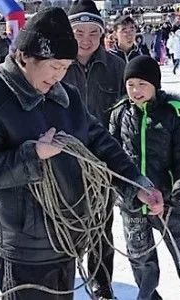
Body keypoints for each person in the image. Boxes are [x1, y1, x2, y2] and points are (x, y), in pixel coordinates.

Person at [0, 8, 164, 300]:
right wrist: (32, 155)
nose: (59, 74)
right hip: (25, 249)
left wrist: (136, 184)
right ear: (25, 57)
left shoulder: (66, 96)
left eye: (65, 66)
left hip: (67, 239)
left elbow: (100, 143)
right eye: (54, 65)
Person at [109, 55, 180, 300]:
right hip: (132, 203)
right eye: (130, 84)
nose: (136, 90)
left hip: (169, 203)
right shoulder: (119, 114)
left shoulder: (175, 114)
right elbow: (112, 158)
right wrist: (125, 192)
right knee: (141, 261)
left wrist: (179, 195)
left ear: (155, 84)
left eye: (142, 84)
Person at [61, 0, 126, 297]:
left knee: (102, 225)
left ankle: (102, 282)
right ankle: (61, 282)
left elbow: (129, 111)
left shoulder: (116, 66)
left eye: (93, 33)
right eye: (78, 32)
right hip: (63, 160)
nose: (85, 40)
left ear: (102, 35)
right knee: (63, 224)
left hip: (103, 160)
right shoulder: (56, 64)